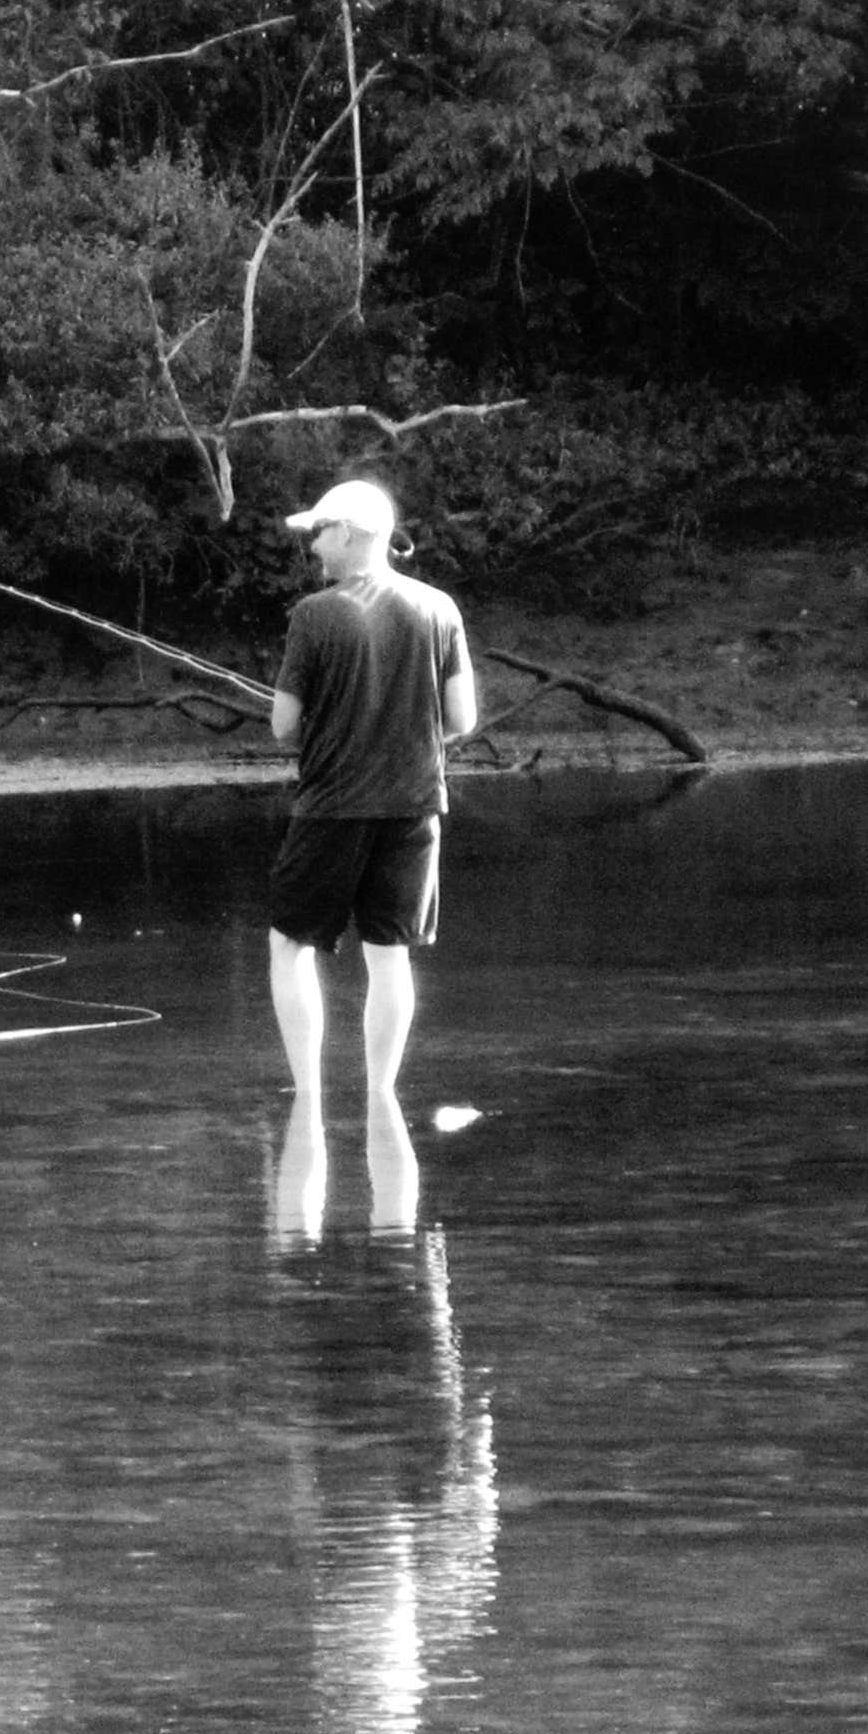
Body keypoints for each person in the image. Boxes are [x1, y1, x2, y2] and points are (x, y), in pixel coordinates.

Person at [264, 473, 478, 1226]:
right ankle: (382, 1098)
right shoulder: (439, 608)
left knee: (289, 945)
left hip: (330, 810)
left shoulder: (313, 616)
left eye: (318, 532)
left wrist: (329, 714)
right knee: (390, 956)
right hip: (415, 808)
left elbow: (283, 728)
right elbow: (461, 720)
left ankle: (312, 1102)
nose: (311, 545)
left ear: (352, 534)